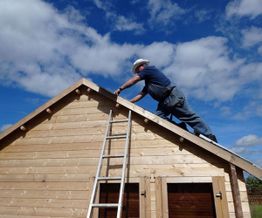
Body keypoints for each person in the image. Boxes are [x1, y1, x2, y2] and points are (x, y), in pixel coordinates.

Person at [114, 58, 217, 142]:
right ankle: (181, 128)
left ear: (141, 66)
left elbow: (134, 80)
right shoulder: (148, 83)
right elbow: (140, 95)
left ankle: (209, 135)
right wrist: (128, 102)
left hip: (172, 95)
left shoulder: (149, 69)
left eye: (137, 70)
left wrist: (120, 88)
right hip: (164, 102)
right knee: (158, 118)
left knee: (188, 116)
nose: (136, 73)